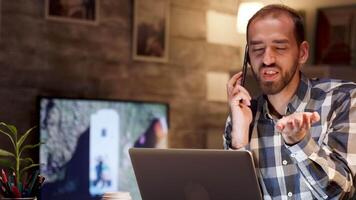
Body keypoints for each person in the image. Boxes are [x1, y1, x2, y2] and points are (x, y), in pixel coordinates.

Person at [224, 4, 356, 199]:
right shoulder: (240, 117)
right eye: (257, 49)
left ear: (302, 53)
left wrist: (300, 143)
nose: (267, 59)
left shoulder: (344, 99)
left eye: (279, 48)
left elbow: (341, 193)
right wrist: (240, 139)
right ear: (248, 58)